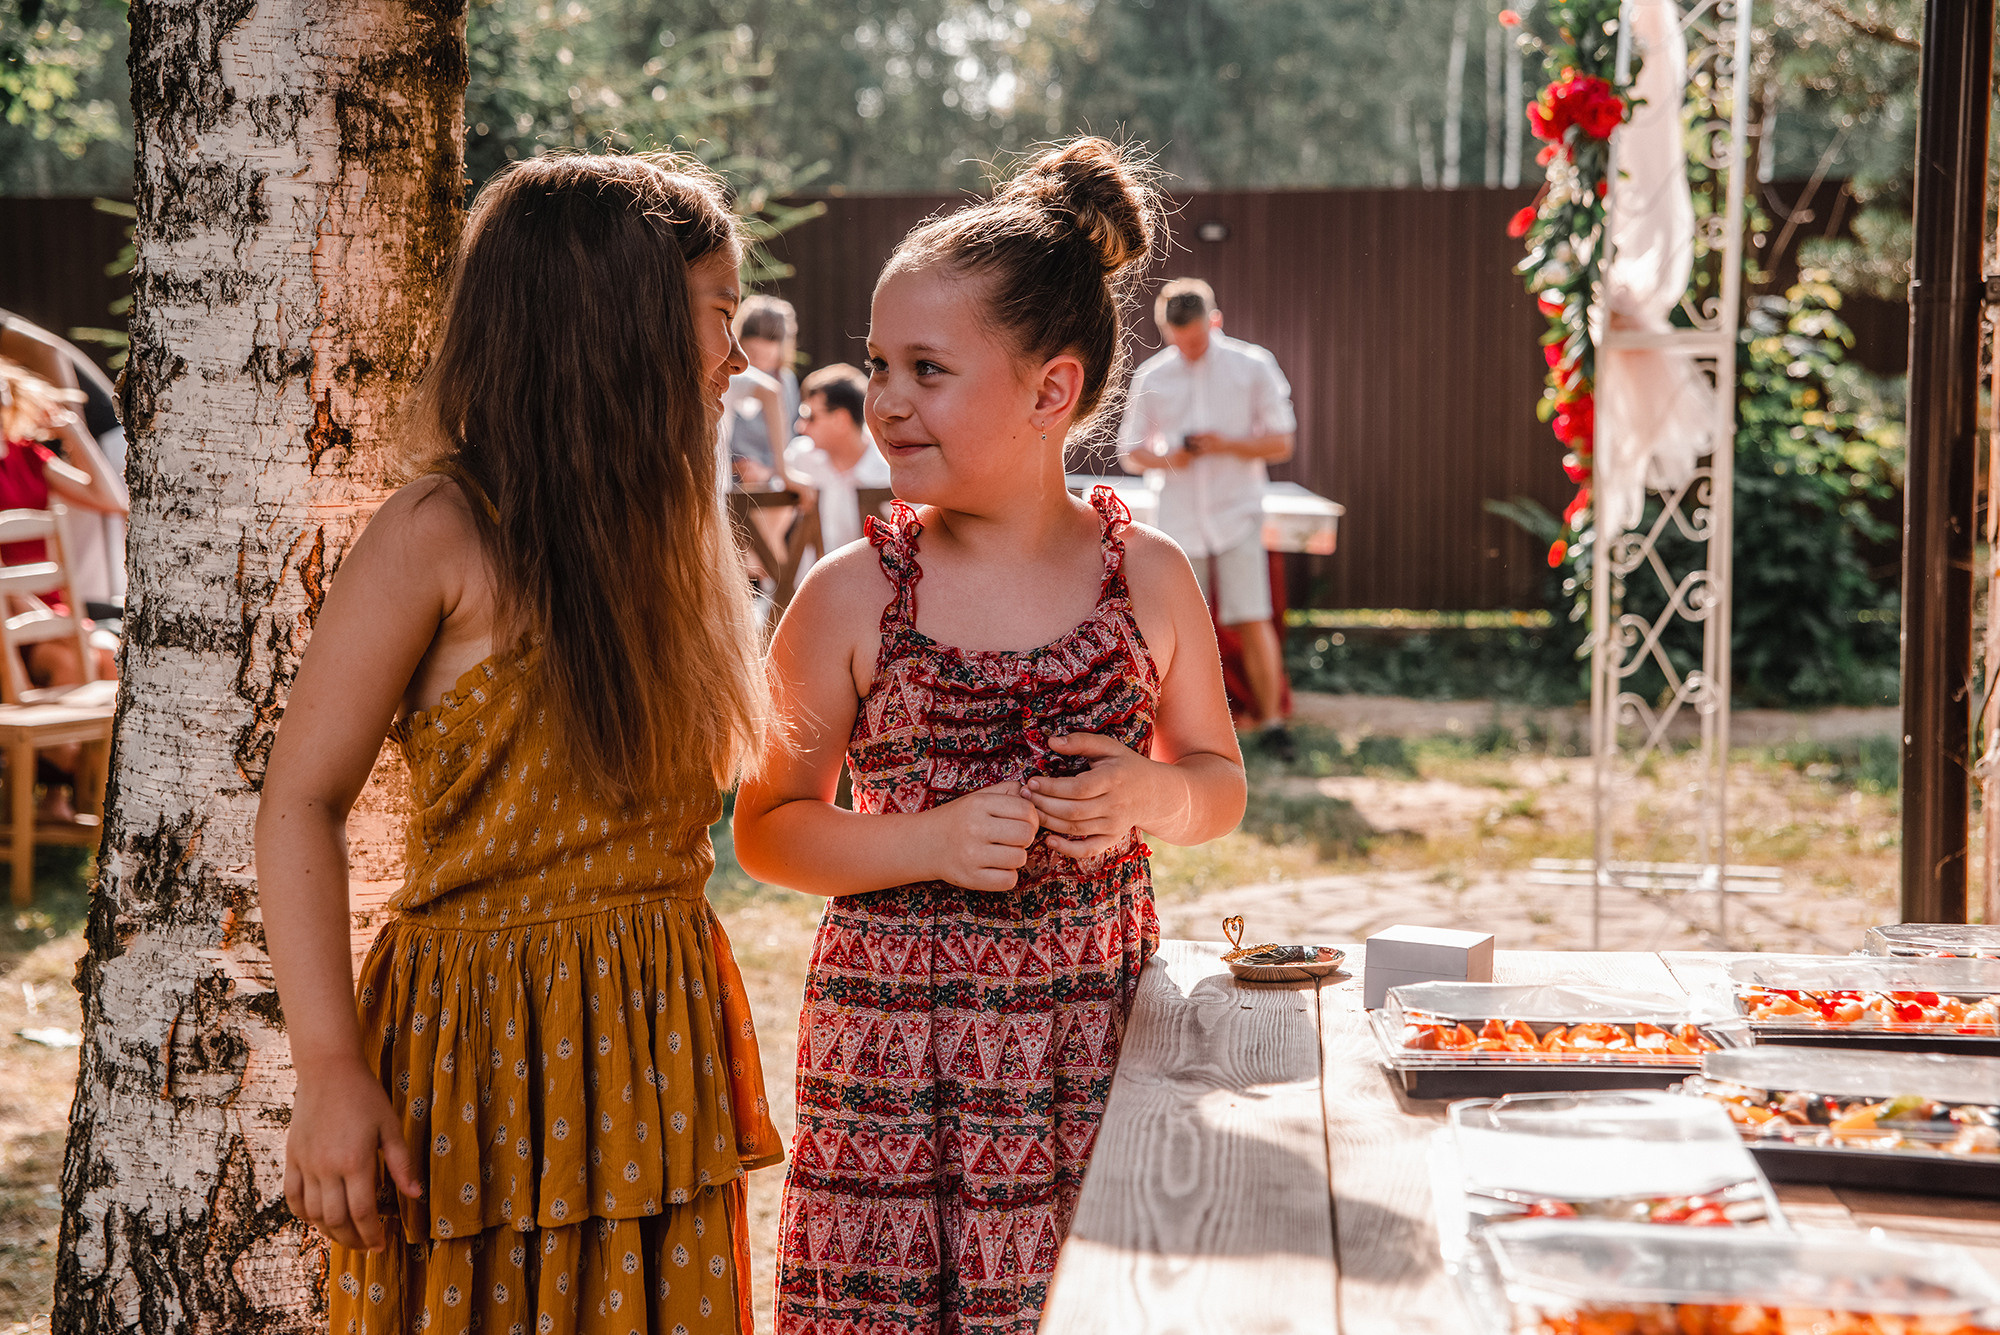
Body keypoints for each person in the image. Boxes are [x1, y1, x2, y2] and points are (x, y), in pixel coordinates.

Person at [254, 153, 783, 1335]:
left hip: (650, 1033)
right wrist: (329, 1071)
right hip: (479, 1056)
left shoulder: (676, 542)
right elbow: (300, 801)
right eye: (716, 320)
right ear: (616, 330)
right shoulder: (440, 532)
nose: (736, 359)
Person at [733, 136, 1248, 1335]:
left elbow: (1217, 783)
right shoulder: (851, 594)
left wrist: (1148, 799)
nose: (885, 400)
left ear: (1048, 390)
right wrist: (929, 840)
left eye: (925, 368)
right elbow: (767, 830)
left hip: (1092, 1045)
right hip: (892, 1070)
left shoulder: (1152, 579)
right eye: (876, 365)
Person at [1118, 277, 1299, 759]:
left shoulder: (1252, 365)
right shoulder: (1153, 375)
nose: (1189, 350)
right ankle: (1180, 733)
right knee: (1179, 627)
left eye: (1196, 339)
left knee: (1252, 616)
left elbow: (1282, 442)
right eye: (1180, 342)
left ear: (1213, 321)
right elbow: (1130, 453)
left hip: (1236, 510)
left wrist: (1226, 444)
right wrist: (1174, 453)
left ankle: (1274, 722)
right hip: (1179, 518)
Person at [0, 356, 126, 819]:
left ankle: (74, 792)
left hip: (50, 611)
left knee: (109, 652)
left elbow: (112, 500)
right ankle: (61, 784)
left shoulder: (26, 455)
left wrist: (74, 432)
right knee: (64, 657)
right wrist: (48, 619)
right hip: (10, 614)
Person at [0, 308, 129, 611]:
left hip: (100, 441)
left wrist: (72, 434)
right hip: (27, 609)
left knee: (100, 579)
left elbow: (47, 350)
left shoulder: (26, 455)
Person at [784, 362, 890, 572]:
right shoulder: (800, 457)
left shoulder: (888, 471)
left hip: (869, 594)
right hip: (804, 588)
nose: (800, 426)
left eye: (809, 416)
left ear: (841, 420)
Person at [722, 294, 800, 489]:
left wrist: (769, 471)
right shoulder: (730, 378)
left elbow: (789, 438)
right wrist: (739, 466)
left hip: (773, 477)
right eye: (752, 353)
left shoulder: (785, 380)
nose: (757, 363)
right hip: (732, 476)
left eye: (766, 355)